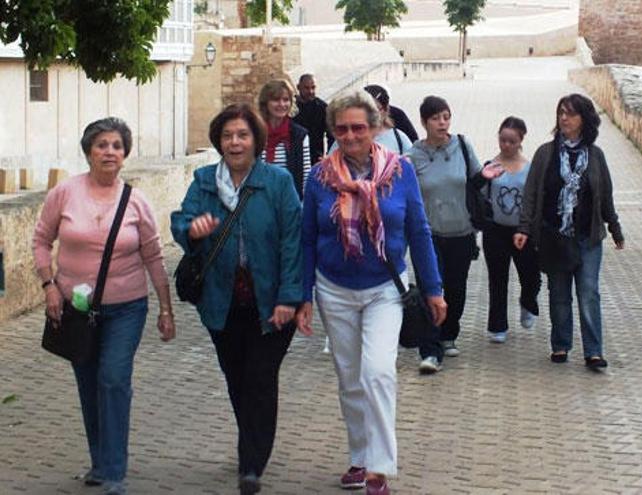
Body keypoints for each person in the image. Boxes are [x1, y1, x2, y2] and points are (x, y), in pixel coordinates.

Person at [296, 89, 446, 495]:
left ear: (375, 127)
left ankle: (379, 468)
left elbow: (418, 230)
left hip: (384, 289)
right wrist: (303, 296)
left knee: (377, 371)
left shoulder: (400, 171)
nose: (350, 135)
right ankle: (359, 457)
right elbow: (307, 239)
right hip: (334, 288)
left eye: (358, 127)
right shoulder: (320, 177)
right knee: (350, 379)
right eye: (341, 128)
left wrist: (433, 289)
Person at [32, 117, 176, 495]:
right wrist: (48, 285)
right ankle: (99, 462)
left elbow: (155, 256)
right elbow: (41, 241)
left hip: (127, 307)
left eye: (116, 145)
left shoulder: (136, 200)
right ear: (88, 151)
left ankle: (113, 472)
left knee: (113, 380)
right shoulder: (64, 194)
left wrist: (165, 308)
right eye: (101, 145)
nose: (109, 151)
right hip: (76, 310)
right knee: (89, 384)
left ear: (125, 154)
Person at [170, 104, 302, 495]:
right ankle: (252, 441)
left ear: (256, 141)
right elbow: (181, 219)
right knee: (236, 379)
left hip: (270, 302)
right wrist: (191, 228)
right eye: (228, 135)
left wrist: (290, 297)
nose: (234, 142)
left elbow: (292, 241)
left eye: (242, 135)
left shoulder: (277, 182)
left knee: (260, 378)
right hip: (222, 301)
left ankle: (251, 464)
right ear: (218, 141)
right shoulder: (205, 181)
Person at [514, 94, 624, 370]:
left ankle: (594, 352)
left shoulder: (595, 156)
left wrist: (615, 228)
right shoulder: (545, 153)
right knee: (559, 294)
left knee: (588, 292)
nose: (564, 118)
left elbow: (606, 196)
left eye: (571, 114)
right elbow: (530, 194)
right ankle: (561, 345)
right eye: (561, 112)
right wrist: (524, 228)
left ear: (584, 120)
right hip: (554, 236)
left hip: (588, 237)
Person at [407, 95, 501, 373]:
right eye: (436, 118)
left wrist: (485, 176)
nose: (442, 122)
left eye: (446, 116)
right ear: (424, 122)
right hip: (429, 234)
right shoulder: (413, 156)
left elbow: (474, 181)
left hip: (461, 230)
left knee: (456, 289)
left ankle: (449, 335)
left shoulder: (461, 145)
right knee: (429, 290)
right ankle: (430, 350)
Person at [481, 116, 541, 343]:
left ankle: (528, 303)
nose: (506, 145)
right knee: (497, 279)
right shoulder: (490, 166)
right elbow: (481, 195)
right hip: (495, 231)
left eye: (511, 141)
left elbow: (535, 200)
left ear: (521, 141)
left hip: (523, 232)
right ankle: (497, 326)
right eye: (502, 140)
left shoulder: (530, 169)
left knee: (531, 276)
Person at [258, 79, 312, 198]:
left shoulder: (299, 135)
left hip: (290, 201)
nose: (282, 104)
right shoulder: (256, 133)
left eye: (286, 100)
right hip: (260, 200)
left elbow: (306, 175)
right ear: (266, 103)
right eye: (276, 100)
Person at [328, 85, 413, 155]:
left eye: (375, 110)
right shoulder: (341, 141)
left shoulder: (399, 138)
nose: (350, 137)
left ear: (386, 109)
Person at [294, 73, 334, 163]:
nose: (310, 91)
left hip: (315, 159)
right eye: (306, 88)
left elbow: (331, 135)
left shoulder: (323, 107)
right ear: (298, 87)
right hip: (295, 157)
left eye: (313, 87)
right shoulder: (291, 107)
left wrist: (329, 156)